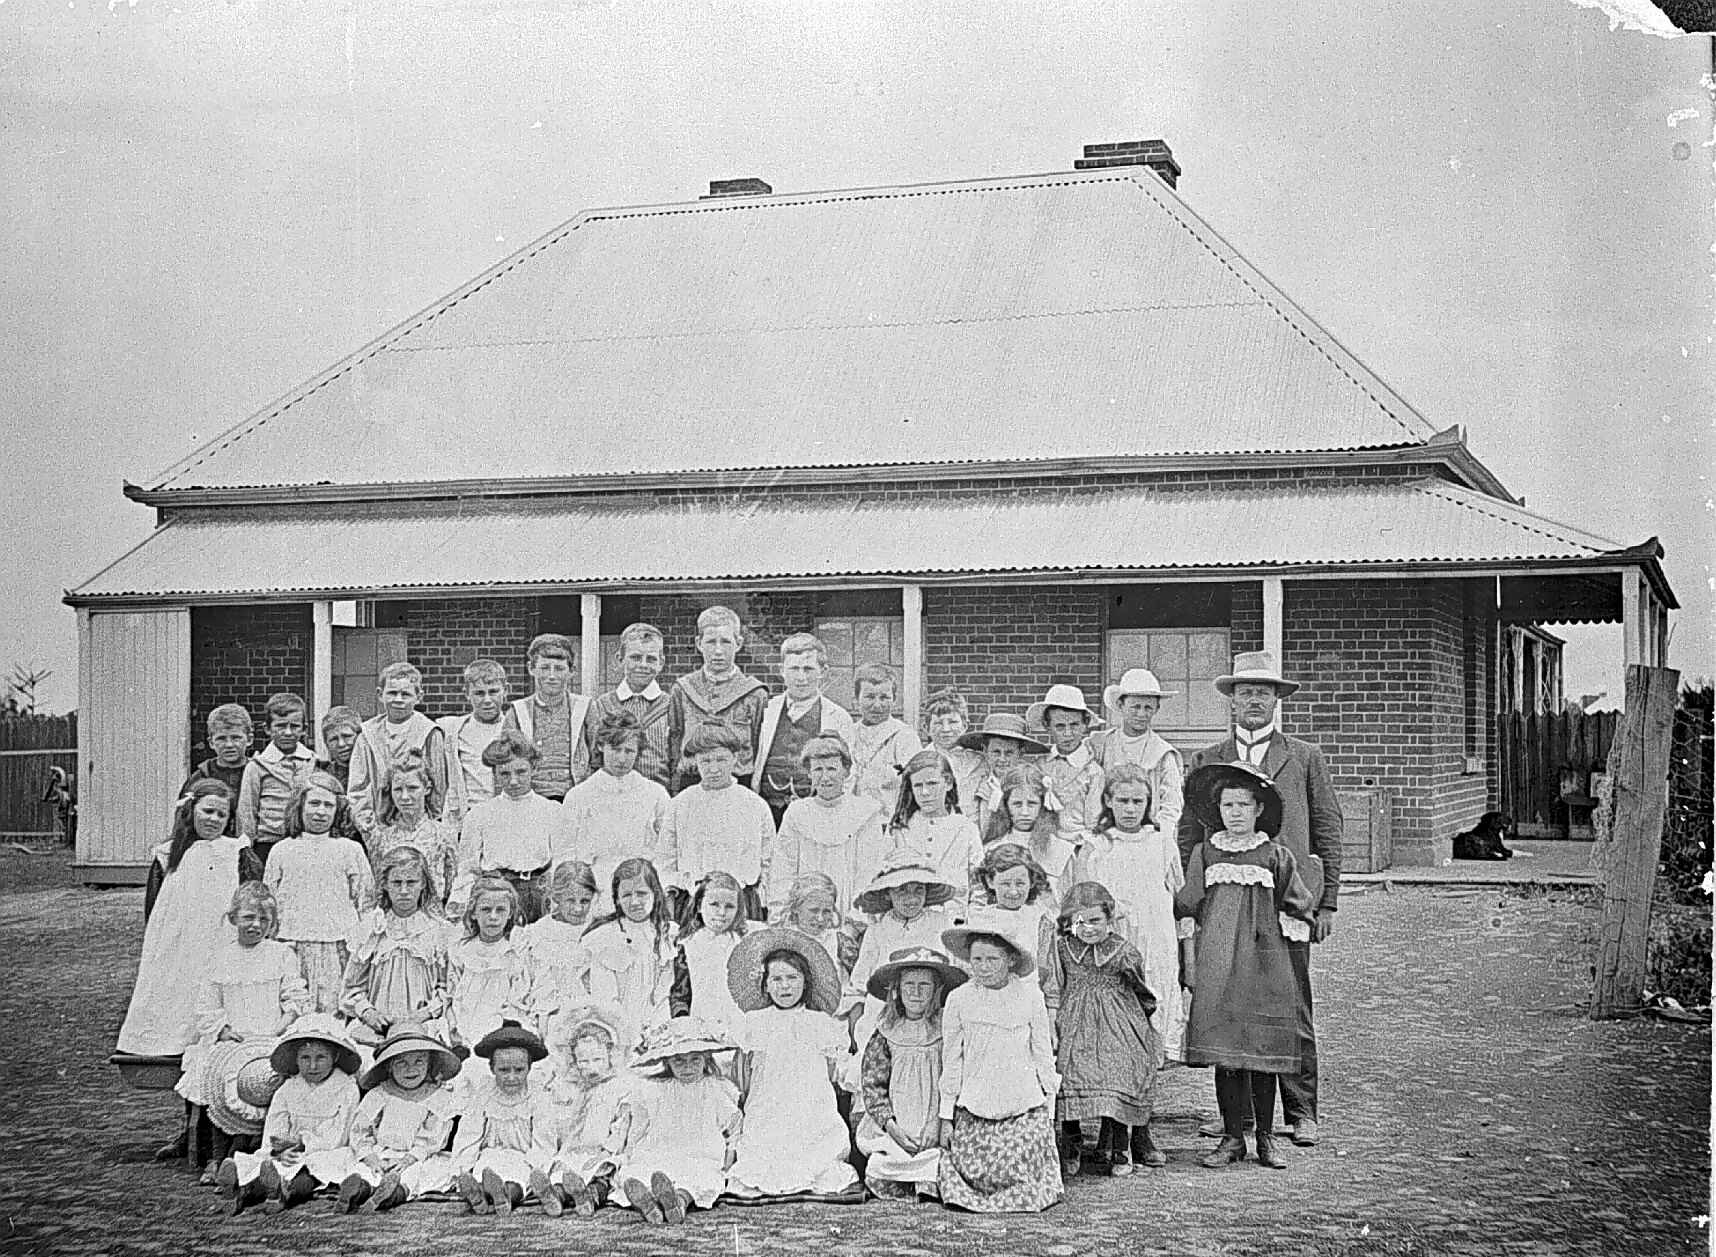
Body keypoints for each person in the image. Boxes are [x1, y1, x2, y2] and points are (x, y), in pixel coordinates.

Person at [1177, 651, 1342, 1148]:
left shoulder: (1305, 756)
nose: (1254, 700)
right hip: (1226, 905)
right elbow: (1189, 835)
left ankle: (1301, 1109)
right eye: (1245, 691)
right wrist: (1193, 899)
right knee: (1229, 1001)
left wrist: (1327, 902)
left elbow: (1328, 828)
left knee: (1291, 1004)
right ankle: (1239, 1117)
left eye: (1263, 692)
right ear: (1231, 700)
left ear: (1276, 700)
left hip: (1286, 903)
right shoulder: (1207, 760)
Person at [1175, 761, 1319, 1171]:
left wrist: (1290, 936)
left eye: (1243, 805)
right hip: (1219, 963)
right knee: (1227, 1053)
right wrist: (1191, 963)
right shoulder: (1205, 853)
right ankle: (1232, 1137)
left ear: (1258, 809)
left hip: (1264, 965)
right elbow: (1188, 906)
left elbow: (1298, 906)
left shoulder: (1276, 855)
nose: (1235, 813)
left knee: (1262, 1052)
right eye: (1228, 805)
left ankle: (1266, 1138)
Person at [118, 781, 262, 1061]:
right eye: (207, 811)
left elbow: (251, 895)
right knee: (176, 984)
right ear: (191, 810)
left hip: (219, 933)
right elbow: (154, 904)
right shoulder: (169, 853)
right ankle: (167, 1041)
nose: (213, 819)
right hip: (178, 938)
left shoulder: (236, 851)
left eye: (221, 815)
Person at [179, 883, 308, 1178]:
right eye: (249, 917)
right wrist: (223, 1030)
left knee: (269, 1074)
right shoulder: (219, 957)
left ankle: (256, 1150)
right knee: (217, 1073)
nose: (256, 925)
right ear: (233, 918)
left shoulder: (281, 954)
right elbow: (207, 1003)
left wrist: (282, 1024)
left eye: (264, 920)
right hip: (234, 1037)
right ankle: (216, 1156)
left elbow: (294, 997)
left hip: (271, 1035)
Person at [935, 918, 1063, 1213]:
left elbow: (1043, 1056)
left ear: (1011, 960)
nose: (983, 967)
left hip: (1022, 1104)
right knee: (971, 1167)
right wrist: (946, 1116)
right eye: (977, 959)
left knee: (1021, 1166)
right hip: (975, 1103)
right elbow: (952, 1059)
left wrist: (1049, 1112)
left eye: (992, 959)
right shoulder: (959, 999)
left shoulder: (1031, 997)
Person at [723, 928, 860, 1200]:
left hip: (811, 1104)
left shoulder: (821, 1023)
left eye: (792, 978)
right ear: (765, 984)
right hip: (769, 1102)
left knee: (818, 1151)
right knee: (761, 1152)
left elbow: (837, 1067)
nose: (785, 986)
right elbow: (739, 1068)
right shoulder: (754, 1023)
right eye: (776, 979)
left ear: (805, 982)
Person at [1041, 880, 1162, 1178]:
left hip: (1117, 1019)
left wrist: (1141, 1019)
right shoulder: (1062, 949)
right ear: (1069, 922)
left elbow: (1140, 987)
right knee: (1070, 1072)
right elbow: (1055, 983)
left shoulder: (1123, 950)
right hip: (1074, 1019)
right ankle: (1071, 1143)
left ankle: (1120, 1146)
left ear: (1109, 919)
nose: (1088, 928)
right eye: (1079, 921)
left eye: (1095, 920)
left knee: (1119, 1068)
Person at [1074, 763, 1192, 1064]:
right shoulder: (1095, 846)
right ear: (1108, 801)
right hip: (1114, 937)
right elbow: (1082, 902)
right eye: (1122, 800)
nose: (1130, 808)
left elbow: (1179, 898)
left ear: (1148, 803)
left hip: (1156, 936)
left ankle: (1155, 1054)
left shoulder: (1161, 843)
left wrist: (1184, 946)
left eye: (1138, 801)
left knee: (1154, 986)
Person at [217, 1014, 362, 1215]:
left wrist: (302, 1143)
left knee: (309, 1171)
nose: (312, 1066)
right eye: (305, 1058)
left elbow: (339, 1135)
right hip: (288, 1150)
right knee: (269, 1164)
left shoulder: (346, 1089)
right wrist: (279, 1150)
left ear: (335, 1057)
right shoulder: (288, 1088)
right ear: (296, 1059)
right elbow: (274, 1128)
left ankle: (283, 1192)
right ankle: (241, 1191)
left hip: (324, 1151)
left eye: (321, 1058)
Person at [856, 947, 966, 1201]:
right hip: (897, 1125)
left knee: (938, 1160)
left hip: (934, 1123)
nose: (916, 992)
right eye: (909, 985)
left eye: (924, 985)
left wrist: (939, 1124)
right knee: (879, 1165)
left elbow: (954, 1076)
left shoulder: (946, 1028)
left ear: (937, 990)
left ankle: (924, 1181)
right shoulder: (886, 1030)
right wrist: (891, 1127)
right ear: (897, 990)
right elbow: (873, 1084)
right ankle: (906, 1178)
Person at [612, 1017, 744, 1225]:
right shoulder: (656, 1090)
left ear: (707, 1059)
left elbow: (734, 1125)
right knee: (643, 1171)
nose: (687, 1067)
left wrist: (730, 1157)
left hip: (701, 1152)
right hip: (661, 1149)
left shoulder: (715, 1088)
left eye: (695, 1060)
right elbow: (640, 1127)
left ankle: (678, 1203)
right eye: (679, 1061)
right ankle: (650, 1205)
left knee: (699, 1176)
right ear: (667, 1062)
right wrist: (629, 1152)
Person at [844, 853, 961, 1084]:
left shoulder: (940, 922)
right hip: (883, 1008)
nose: (911, 898)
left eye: (918, 890)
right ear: (888, 892)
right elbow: (861, 977)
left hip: (927, 1008)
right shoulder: (879, 927)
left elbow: (952, 969)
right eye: (902, 890)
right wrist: (856, 1015)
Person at [263, 772, 373, 1014]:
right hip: (293, 944)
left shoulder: (350, 849)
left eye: (328, 805)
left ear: (337, 810)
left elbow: (365, 900)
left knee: (334, 1014)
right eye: (314, 803)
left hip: (337, 946)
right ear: (300, 806)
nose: (321, 811)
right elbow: (269, 901)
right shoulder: (282, 850)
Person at [656, 721, 777, 924]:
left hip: (741, 902)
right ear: (696, 761)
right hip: (693, 902)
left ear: (735, 758)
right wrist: (670, 896)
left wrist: (763, 903)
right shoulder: (681, 804)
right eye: (705, 761)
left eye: (721, 759)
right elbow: (665, 858)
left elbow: (769, 860)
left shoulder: (754, 805)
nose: (713, 768)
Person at [448, 729, 569, 924]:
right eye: (504, 773)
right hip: (496, 896)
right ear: (495, 773)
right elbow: (467, 868)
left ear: (533, 768)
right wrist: (460, 904)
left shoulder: (552, 811)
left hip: (540, 895)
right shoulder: (479, 815)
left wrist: (557, 903)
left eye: (521, 772)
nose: (513, 780)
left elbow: (562, 861)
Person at [767, 733, 888, 923]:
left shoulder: (865, 812)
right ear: (809, 773)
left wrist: (855, 922)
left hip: (850, 913)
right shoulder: (797, 812)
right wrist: (782, 913)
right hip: (804, 917)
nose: (825, 777)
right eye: (818, 769)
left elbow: (869, 872)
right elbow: (783, 869)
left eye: (832, 769)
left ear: (846, 771)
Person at [340, 846, 456, 1047]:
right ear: (385, 884)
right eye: (396, 882)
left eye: (411, 882)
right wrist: (367, 1012)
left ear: (423, 884)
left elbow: (447, 985)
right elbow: (352, 986)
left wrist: (427, 1013)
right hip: (379, 1026)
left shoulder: (439, 930)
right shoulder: (372, 928)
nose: (404, 891)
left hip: (422, 1023)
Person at [337, 1029, 463, 1212]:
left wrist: (408, 1159)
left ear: (429, 1064)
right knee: (361, 1168)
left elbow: (433, 1137)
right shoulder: (379, 1093)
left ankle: (390, 1194)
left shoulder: (438, 1097)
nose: (411, 1069)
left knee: (429, 1171)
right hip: (380, 1153)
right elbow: (361, 1129)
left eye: (419, 1061)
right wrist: (371, 1157)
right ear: (389, 1066)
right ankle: (358, 1190)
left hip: (416, 1156)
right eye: (401, 1063)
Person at [559, 710, 671, 917]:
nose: (622, 758)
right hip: (596, 891)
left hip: (642, 891)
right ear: (601, 746)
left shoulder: (655, 793)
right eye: (615, 749)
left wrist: (661, 888)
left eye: (629, 751)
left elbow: (667, 847)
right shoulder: (579, 795)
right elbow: (565, 851)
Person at [538, 1001, 637, 1217]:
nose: (591, 1066)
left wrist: (609, 1151)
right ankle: (555, 1196)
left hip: (600, 1151)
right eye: (583, 1061)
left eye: (597, 1059)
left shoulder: (617, 1088)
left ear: (611, 1057)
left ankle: (587, 1198)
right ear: (573, 1061)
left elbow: (621, 1125)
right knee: (563, 1171)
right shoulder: (573, 1088)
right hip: (575, 1149)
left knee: (599, 1176)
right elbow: (561, 1121)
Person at [452, 1020, 561, 1214]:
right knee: (484, 1172)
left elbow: (544, 1140)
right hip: (490, 1154)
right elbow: (470, 1133)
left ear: (529, 1068)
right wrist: (463, 1166)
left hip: (523, 1158)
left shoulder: (538, 1097)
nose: (512, 1077)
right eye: (503, 1070)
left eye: (519, 1070)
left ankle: (504, 1196)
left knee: (516, 1180)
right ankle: (478, 1196)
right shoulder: (484, 1094)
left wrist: (536, 1165)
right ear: (492, 1068)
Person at [752, 632, 856, 825]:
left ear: (822, 671)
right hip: (769, 811)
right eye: (794, 669)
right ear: (782, 670)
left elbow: (849, 773)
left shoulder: (838, 718)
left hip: (817, 814)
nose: (801, 677)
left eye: (808, 669)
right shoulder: (767, 710)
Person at [667, 606, 769, 794]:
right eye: (711, 642)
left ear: (739, 643)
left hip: (739, 782)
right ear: (699, 643)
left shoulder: (754, 693)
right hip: (692, 781)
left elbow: (759, 745)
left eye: (726, 642)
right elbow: (674, 739)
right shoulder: (682, 689)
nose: (718, 650)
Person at [347, 662, 448, 842]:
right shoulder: (367, 735)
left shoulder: (430, 733)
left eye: (406, 694)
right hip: (377, 826)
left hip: (419, 828)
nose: (398, 700)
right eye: (392, 693)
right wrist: (368, 825)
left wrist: (431, 823)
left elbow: (438, 787)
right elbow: (358, 786)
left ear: (418, 696)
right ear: (380, 694)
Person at [582, 857, 678, 1031]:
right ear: (617, 899)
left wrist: (654, 1027)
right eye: (626, 895)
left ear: (655, 894)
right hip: (618, 1026)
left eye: (641, 894)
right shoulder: (606, 937)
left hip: (656, 1025)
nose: (634, 902)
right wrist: (628, 1030)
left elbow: (664, 993)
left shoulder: (667, 934)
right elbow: (605, 998)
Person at [1091, 668, 1185, 845]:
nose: (1141, 714)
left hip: (1147, 836)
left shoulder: (1163, 752)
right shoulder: (1101, 744)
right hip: (1105, 834)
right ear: (1121, 705)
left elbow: (1171, 803)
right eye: (1135, 707)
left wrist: (1163, 840)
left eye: (1148, 707)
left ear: (1157, 708)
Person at [888, 748, 984, 917]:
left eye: (932, 784)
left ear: (948, 783)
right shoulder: (900, 830)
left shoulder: (966, 828)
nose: (925, 792)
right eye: (918, 785)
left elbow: (979, 887)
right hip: (912, 921)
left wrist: (971, 922)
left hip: (955, 921)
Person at [448, 876, 538, 1057]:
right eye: (486, 909)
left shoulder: (515, 952)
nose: (493, 917)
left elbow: (518, 999)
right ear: (474, 912)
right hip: (463, 1024)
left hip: (499, 1028)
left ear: (510, 913)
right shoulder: (463, 949)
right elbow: (452, 993)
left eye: (501, 910)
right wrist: (453, 1026)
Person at [581, 623, 675, 790]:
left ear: (661, 662)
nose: (643, 665)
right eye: (635, 657)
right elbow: (594, 757)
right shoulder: (602, 705)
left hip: (660, 795)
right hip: (612, 794)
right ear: (620, 659)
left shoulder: (671, 705)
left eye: (651, 659)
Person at [505, 633, 592, 802]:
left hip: (576, 798)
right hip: (531, 799)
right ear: (531, 668)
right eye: (545, 668)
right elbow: (506, 762)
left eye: (559, 669)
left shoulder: (585, 708)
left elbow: (597, 757)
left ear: (572, 671)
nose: (552, 676)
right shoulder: (518, 711)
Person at [523, 861, 599, 1054]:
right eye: (570, 900)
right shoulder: (539, 932)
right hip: (548, 1015)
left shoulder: (598, 930)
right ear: (556, 897)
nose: (578, 908)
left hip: (586, 1015)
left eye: (584, 901)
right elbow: (529, 978)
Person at [236, 692, 318, 866]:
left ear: (304, 729)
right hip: (267, 844)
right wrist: (247, 850)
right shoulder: (257, 766)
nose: (288, 732)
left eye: (294, 726)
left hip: (304, 841)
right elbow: (247, 812)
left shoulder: (313, 762)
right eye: (280, 726)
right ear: (267, 728)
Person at [980, 766, 1078, 906]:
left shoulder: (1061, 850)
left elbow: (1071, 899)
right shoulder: (991, 848)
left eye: (1032, 803)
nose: (1025, 812)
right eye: (1017, 804)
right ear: (1006, 805)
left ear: (1043, 805)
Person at [367, 759, 458, 910]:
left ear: (426, 788)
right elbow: (377, 886)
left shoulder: (443, 834)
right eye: (398, 789)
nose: (404, 796)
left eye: (412, 788)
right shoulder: (380, 836)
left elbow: (452, 884)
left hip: (433, 913)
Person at [669, 870, 751, 1035]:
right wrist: (683, 1020)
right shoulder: (687, 944)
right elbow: (680, 992)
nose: (722, 913)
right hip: (700, 1024)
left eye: (729, 906)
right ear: (700, 906)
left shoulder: (743, 943)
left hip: (736, 1025)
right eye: (714, 905)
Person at [438, 658, 510, 828]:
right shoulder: (452, 729)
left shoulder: (514, 727)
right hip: (466, 818)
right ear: (467, 693)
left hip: (505, 816)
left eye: (493, 692)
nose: (487, 699)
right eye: (479, 693)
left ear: (505, 690)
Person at [1026, 684, 1106, 837]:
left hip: (1078, 841)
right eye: (1060, 726)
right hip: (1043, 839)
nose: (1068, 733)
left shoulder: (1093, 772)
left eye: (1074, 725)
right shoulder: (1039, 766)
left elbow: (1092, 821)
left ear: (1085, 724)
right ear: (1047, 726)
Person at [973, 843, 1057, 982]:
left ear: (1031, 882)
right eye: (1005, 884)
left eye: (1020, 883)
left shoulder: (1039, 918)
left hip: (1029, 986)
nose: (1013, 891)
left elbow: (1048, 963)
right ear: (990, 881)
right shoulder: (981, 919)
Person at [957, 713, 1049, 835]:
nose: (1002, 759)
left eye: (1009, 753)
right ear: (985, 751)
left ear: (1020, 753)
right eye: (996, 752)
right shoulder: (974, 784)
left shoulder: (1034, 783)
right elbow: (971, 828)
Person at [847, 664, 922, 814]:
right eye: (869, 697)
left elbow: (915, 785)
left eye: (884, 697)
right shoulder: (848, 734)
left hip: (889, 819)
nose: (877, 705)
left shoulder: (904, 736)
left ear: (894, 700)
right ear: (856, 699)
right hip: (852, 819)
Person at [176, 703, 253, 838]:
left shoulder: (259, 773)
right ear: (211, 742)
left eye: (236, 738)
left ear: (249, 739)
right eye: (221, 738)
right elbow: (183, 820)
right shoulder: (201, 776)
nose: (229, 745)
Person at [922, 689, 986, 818]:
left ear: (965, 726)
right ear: (926, 728)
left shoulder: (979, 761)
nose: (946, 729)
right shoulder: (920, 761)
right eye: (938, 723)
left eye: (953, 722)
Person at [317, 706, 364, 794]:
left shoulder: (377, 772)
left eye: (347, 736)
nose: (341, 744)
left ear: (360, 736)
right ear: (327, 744)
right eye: (333, 739)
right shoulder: (322, 779)